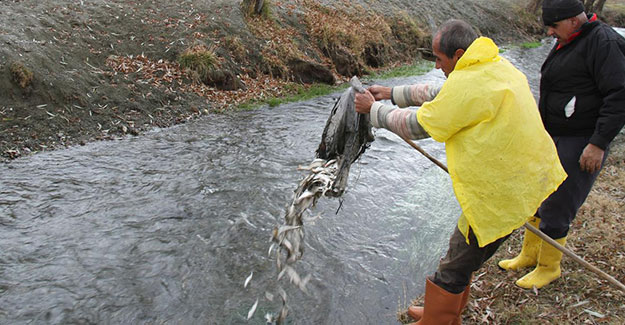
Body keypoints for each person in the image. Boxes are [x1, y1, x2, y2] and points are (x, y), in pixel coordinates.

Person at [354, 19, 567, 323]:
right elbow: (443, 92)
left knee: (455, 262)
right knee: (463, 257)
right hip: (525, 179)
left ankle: (439, 319)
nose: (438, 66)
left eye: (439, 59)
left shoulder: (470, 83)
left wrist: (372, 110)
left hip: (501, 193)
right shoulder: (491, 65)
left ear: (456, 54)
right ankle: (444, 310)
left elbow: (417, 126)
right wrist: (390, 93)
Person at [498, 0, 625, 289]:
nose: (551, 33)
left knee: (560, 200)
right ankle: (530, 254)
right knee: (540, 191)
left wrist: (598, 143)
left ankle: (548, 267)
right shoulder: (571, 38)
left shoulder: (603, 43)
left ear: (573, 21)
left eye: (554, 26)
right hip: (555, 134)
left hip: (582, 138)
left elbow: (619, 96)